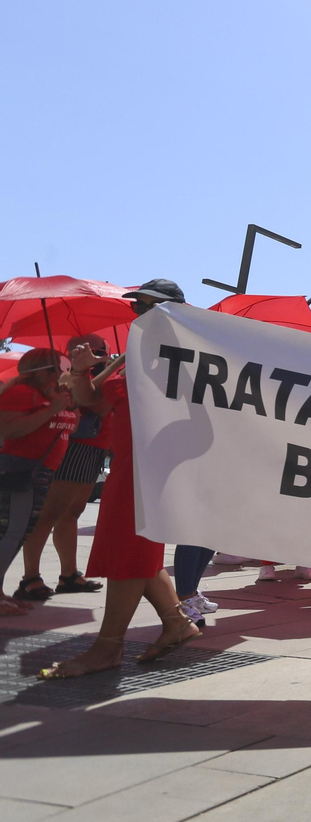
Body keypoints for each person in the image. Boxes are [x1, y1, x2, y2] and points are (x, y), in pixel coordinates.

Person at [41, 280, 199, 679]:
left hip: (150, 467)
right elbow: (92, 399)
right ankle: (177, 622)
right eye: (138, 307)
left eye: (149, 307)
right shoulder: (136, 355)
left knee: (127, 551)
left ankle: (107, 648)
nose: (140, 314)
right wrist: (79, 370)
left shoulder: (185, 356)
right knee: (135, 549)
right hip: (131, 463)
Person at [14, 335, 115, 602]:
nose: (98, 353)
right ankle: (31, 577)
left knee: (71, 513)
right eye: (91, 349)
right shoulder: (68, 374)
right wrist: (107, 370)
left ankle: (68, 574)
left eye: (100, 349)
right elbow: (98, 404)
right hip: (77, 445)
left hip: (94, 446)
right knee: (50, 514)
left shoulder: (84, 373)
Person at [0, 348, 77, 614]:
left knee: (19, 531)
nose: (61, 373)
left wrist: (64, 405)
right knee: (11, 532)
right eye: (57, 368)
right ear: (41, 371)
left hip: (42, 470)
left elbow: (69, 427)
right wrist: (53, 409)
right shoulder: (20, 393)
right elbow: (9, 429)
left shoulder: (51, 394)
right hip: (21, 468)